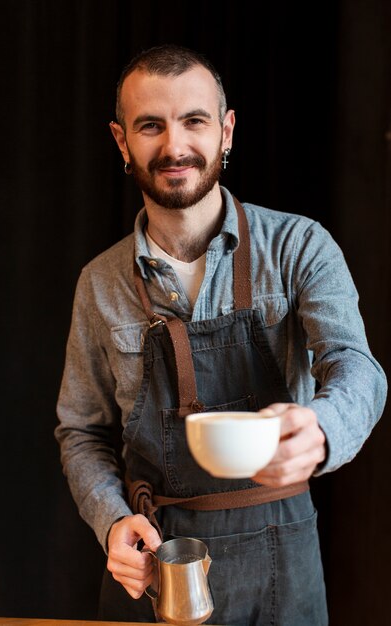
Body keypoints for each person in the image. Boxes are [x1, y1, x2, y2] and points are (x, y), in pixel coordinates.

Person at [55, 44, 387, 625]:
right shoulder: (98, 283)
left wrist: (323, 429)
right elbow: (82, 430)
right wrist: (112, 520)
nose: (174, 146)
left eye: (194, 121)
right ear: (121, 141)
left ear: (226, 131)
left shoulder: (299, 246)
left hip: (284, 564)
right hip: (155, 569)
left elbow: (355, 367)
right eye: (150, 125)